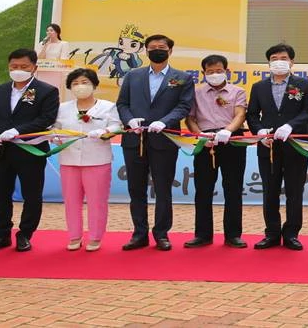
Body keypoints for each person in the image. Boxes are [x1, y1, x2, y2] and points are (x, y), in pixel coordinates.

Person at [115, 34, 194, 251]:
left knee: (163, 188)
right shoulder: (133, 75)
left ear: (170, 50)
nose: (156, 50)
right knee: (136, 189)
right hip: (134, 139)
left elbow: (184, 106)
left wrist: (164, 121)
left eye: (161, 47)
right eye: (152, 47)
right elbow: (122, 104)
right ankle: (139, 234)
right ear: (146, 51)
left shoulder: (183, 78)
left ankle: (161, 234)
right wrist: (129, 120)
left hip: (164, 139)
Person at [0, 48, 59, 252]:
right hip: (1, 150)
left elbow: (46, 119)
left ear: (34, 67)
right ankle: (1, 234)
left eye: (23, 67)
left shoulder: (47, 91)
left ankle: (25, 234)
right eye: (14, 67)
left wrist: (17, 131)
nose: (18, 70)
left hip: (29, 150)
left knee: (31, 194)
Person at [245, 43, 308, 251]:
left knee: (295, 191)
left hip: (296, 144)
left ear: (292, 61)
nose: (279, 61)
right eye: (275, 58)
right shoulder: (259, 87)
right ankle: (272, 233)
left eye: (283, 58)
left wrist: (290, 126)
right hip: (268, 147)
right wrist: (259, 131)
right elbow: (252, 114)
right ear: (269, 62)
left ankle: (292, 234)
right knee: (270, 190)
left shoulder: (305, 85)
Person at [184, 54, 248, 249]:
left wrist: (227, 131)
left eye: (219, 71)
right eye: (210, 72)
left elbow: (240, 114)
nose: (214, 74)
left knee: (233, 189)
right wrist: (200, 134)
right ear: (203, 74)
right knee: (203, 189)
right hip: (205, 142)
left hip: (231, 140)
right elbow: (190, 118)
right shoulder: (196, 93)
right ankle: (203, 235)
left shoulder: (237, 91)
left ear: (227, 71)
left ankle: (233, 235)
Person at [54, 68, 121, 252]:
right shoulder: (63, 108)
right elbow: (54, 127)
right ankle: (74, 235)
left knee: (97, 201)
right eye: (75, 83)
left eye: (84, 82)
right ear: (69, 87)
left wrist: (105, 132)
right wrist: (55, 136)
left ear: (94, 85)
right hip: (69, 160)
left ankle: (95, 236)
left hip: (97, 160)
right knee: (71, 200)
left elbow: (116, 126)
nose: (80, 87)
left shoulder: (108, 107)